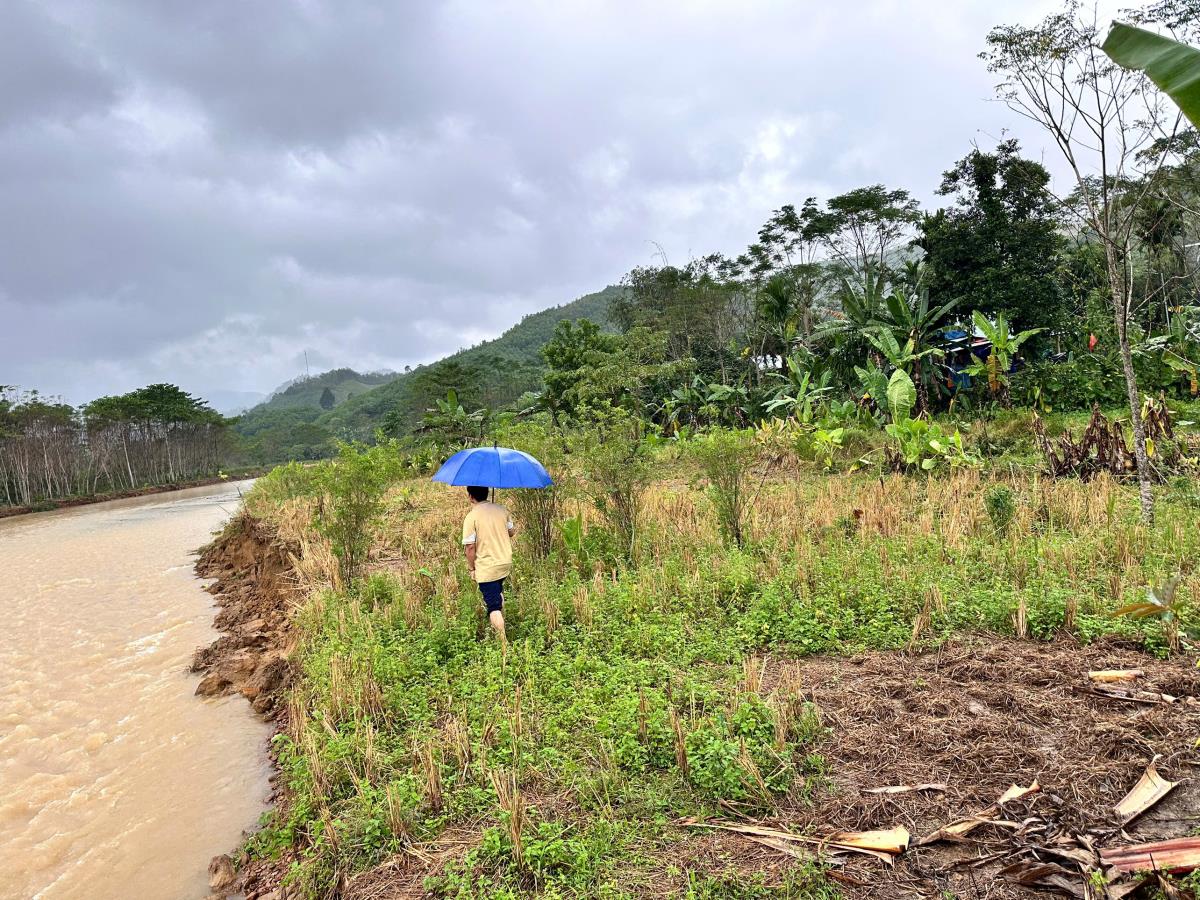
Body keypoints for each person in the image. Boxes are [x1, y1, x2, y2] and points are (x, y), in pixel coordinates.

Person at [462, 485, 515, 640]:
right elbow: (512, 532)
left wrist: (472, 568)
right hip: (504, 562)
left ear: (471, 496)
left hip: (487, 568)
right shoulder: (501, 510)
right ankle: (500, 620)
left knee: (493, 607)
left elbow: (470, 548)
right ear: (487, 493)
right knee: (497, 591)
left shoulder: (471, 517)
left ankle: (502, 643)